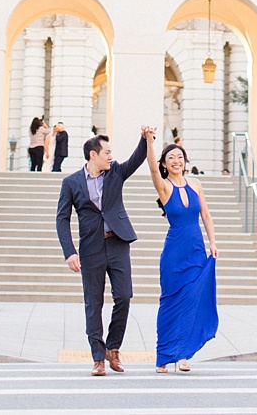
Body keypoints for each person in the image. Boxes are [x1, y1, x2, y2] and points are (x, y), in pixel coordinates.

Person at [55, 128, 153, 376]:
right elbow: (62, 218)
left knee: (124, 296)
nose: (111, 157)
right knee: (93, 303)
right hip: (91, 249)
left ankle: (113, 348)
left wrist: (144, 139)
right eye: (107, 153)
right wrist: (70, 252)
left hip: (118, 243)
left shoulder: (116, 173)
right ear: (93, 155)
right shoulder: (71, 183)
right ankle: (98, 358)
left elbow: (135, 160)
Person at [143, 132, 219, 373]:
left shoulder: (196, 184)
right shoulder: (164, 186)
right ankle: (164, 355)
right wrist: (149, 143)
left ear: (185, 161)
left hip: (196, 251)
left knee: (191, 301)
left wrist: (213, 242)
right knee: (170, 303)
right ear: (165, 164)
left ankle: (184, 353)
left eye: (180, 157)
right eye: (171, 158)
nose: (176, 161)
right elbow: (152, 171)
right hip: (174, 253)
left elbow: (205, 215)